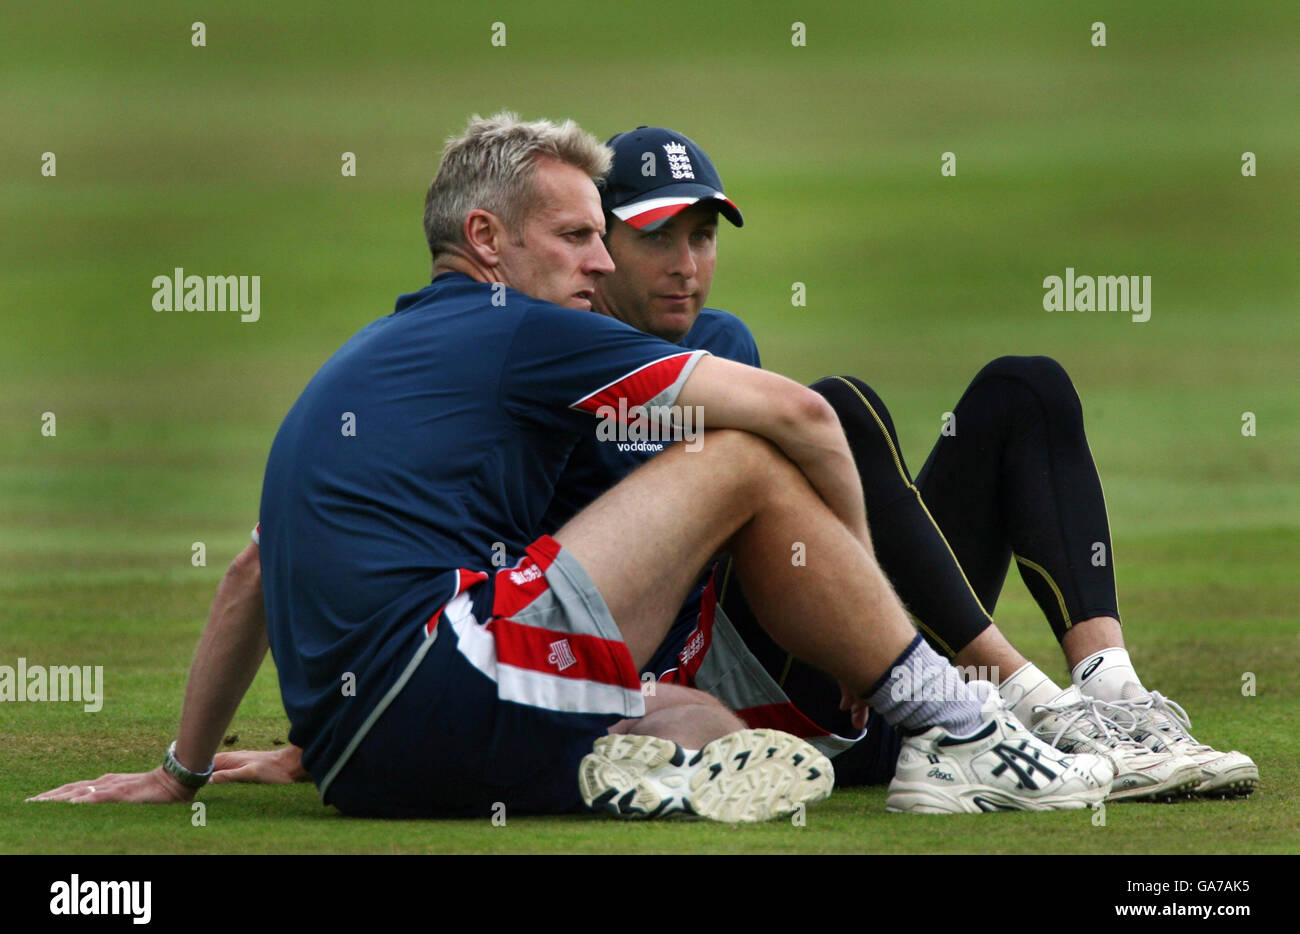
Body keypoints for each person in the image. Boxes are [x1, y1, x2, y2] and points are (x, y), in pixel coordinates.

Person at [28, 113, 1114, 821]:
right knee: (751, 448)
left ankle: (667, 775)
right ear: (489, 241)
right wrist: (881, 653)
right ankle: (966, 725)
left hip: (370, 765)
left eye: (611, 238)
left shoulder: (374, 361)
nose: (604, 263)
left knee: (714, 732)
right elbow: (798, 420)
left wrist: (185, 766)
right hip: (455, 677)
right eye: (580, 237)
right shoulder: (517, 328)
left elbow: (249, 579)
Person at [566, 125, 1257, 801]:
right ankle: (1038, 710)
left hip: (871, 682)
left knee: (1026, 389)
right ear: (600, 244)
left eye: (702, 237)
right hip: (719, 700)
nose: (685, 265)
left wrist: (851, 608)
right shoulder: (557, 365)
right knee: (838, 405)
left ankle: (1118, 699)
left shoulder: (723, 341)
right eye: (656, 238)